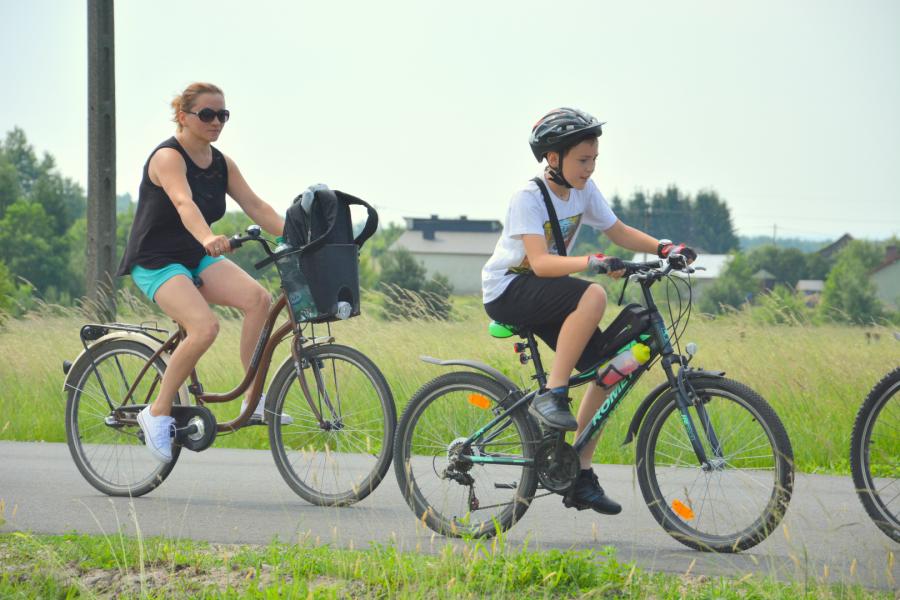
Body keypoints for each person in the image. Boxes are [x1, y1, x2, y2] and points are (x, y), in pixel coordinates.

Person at [481, 107, 696, 515]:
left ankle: (578, 472)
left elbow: (618, 231)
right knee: (593, 295)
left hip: (545, 291)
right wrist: (590, 262)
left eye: (594, 159)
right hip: (509, 289)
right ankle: (553, 394)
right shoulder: (529, 198)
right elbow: (540, 263)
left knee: (610, 367)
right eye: (582, 160)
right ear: (553, 157)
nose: (590, 168)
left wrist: (664, 248)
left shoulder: (584, 191)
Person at [117, 82, 290, 464]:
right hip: (156, 259)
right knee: (205, 327)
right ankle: (157, 412)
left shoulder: (222, 163)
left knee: (258, 299)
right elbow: (183, 202)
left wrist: (298, 236)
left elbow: (257, 207)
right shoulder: (168, 157)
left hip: (195, 256)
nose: (217, 122)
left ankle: (253, 398)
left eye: (223, 115)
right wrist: (208, 236)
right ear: (183, 116)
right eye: (207, 114)